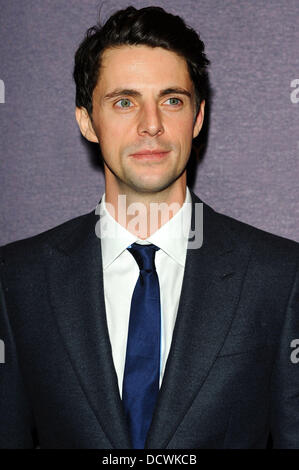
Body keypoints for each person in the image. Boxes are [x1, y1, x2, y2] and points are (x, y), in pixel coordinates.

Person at [0, 5, 298, 449]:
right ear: (87, 121)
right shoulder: (17, 279)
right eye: (125, 102)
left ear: (197, 119)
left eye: (171, 100)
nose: (151, 124)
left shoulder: (280, 275)